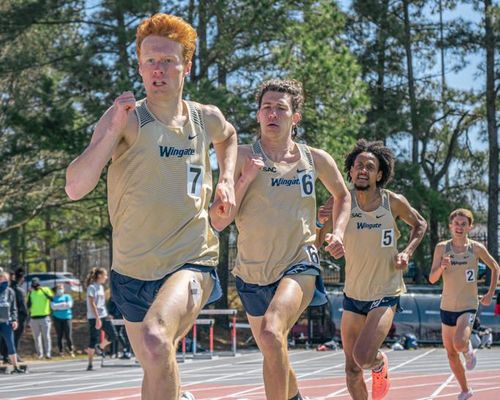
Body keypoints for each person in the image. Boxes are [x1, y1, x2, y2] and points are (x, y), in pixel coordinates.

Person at [65, 13, 236, 397]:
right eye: (149, 61)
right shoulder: (125, 119)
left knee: (157, 341)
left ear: (185, 66)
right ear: (140, 67)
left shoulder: (205, 118)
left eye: (167, 61)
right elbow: (75, 187)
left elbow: (229, 136)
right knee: (156, 366)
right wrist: (109, 133)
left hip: (192, 259)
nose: (158, 70)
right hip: (131, 270)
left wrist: (226, 180)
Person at [210, 79, 351, 400]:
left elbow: (343, 196)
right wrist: (246, 178)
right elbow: (220, 219)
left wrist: (338, 231)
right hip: (251, 273)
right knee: (273, 352)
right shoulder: (239, 155)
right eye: (266, 108)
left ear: (295, 117)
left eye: (281, 109)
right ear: (258, 115)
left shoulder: (315, 159)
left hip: (299, 264)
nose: (273, 114)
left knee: (273, 333)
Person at [317, 139, 427, 400]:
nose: (363, 170)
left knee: (364, 357)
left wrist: (407, 252)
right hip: (353, 294)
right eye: (358, 166)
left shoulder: (393, 202)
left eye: (369, 166)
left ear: (379, 174)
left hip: (385, 292)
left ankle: (379, 364)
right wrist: (321, 223)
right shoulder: (340, 202)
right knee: (352, 370)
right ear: (351, 171)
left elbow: (420, 224)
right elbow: (319, 241)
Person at [429, 208, 499, 400]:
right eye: (456, 223)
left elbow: (495, 267)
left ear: (470, 227)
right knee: (451, 354)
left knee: (459, 343)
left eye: (463, 224)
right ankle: (465, 389)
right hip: (447, 306)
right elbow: (432, 279)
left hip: (468, 305)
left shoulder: (475, 248)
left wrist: (490, 293)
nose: (459, 227)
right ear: (450, 226)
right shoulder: (442, 248)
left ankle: (468, 351)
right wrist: (442, 266)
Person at [85, 267, 117, 371]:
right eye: (105, 275)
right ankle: (90, 363)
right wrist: (97, 318)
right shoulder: (92, 287)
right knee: (93, 339)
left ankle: (100, 347)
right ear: (99, 276)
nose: (106, 277)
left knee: (113, 335)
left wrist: (106, 314)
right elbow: (92, 303)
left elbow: (101, 304)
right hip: (94, 317)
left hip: (103, 315)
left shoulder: (101, 287)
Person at [0, 270, 25, 373]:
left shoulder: (10, 291)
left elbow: (13, 308)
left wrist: (14, 320)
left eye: (7, 279)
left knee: (10, 343)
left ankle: (15, 367)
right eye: (3, 279)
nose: (6, 281)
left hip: (6, 321)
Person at [27, 277, 53, 359]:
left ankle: (48, 353)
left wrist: (42, 291)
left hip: (44, 317)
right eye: (34, 285)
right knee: (36, 338)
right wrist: (29, 293)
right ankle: (40, 354)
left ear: (39, 284)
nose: (35, 287)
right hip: (34, 318)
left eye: (36, 285)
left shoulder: (45, 289)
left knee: (46, 336)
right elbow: (28, 305)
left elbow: (52, 298)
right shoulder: (31, 292)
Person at [50, 283, 75, 357]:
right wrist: (63, 304)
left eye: (61, 288)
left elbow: (69, 305)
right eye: (59, 289)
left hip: (67, 318)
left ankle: (71, 350)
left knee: (68, 335)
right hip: (57, 318)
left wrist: (58, 306)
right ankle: (61, 352)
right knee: (59, 335)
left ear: (64, 289)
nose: (60, 290)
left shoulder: (67, 296)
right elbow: (53, 307)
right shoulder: (54, 298)